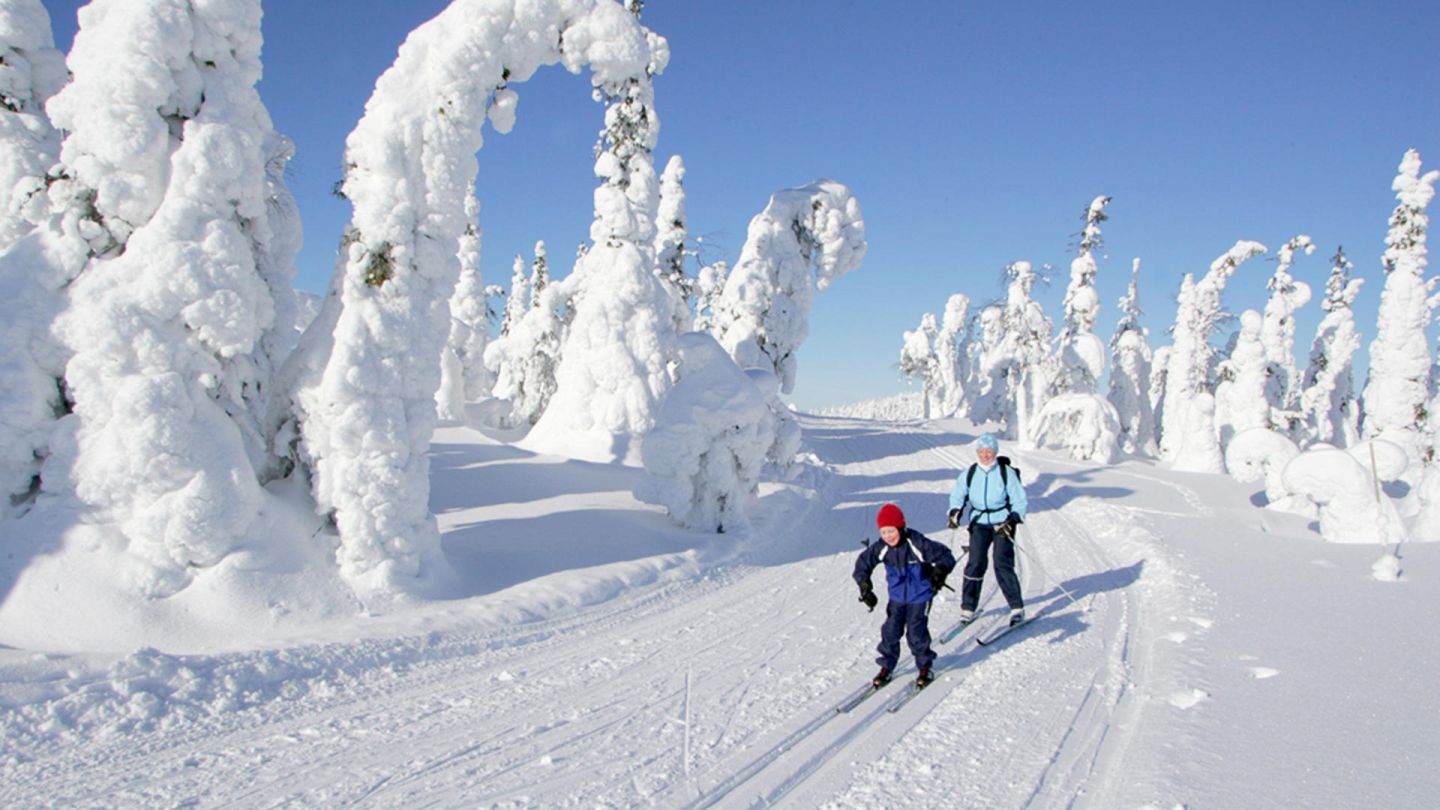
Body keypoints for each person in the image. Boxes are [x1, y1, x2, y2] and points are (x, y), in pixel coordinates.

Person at [853, 502, 956, 689]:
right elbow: (863, 564)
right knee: (890, 631)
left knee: (916, 633)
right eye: (884, 532)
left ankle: (925, 667)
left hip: (920, 595)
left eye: (891, 531)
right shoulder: (882, 547)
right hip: (897, 597)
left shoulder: (917, 543)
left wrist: (939, 572)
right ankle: (887, 666)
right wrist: (865, 586)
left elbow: (946, 556)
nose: (888, 537)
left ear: (901, 527)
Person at [947, 432, 1029, 627]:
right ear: (977, 452)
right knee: (975, 563)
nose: (985, 455)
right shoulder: (970, 473)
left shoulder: (1005, 472)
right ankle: (968, 608)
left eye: (989, 451)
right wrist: (955, 511)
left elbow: (1019, 499)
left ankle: (1017, 607)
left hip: (1002, 522)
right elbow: (958, 495)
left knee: (1002, 563)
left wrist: (1014, 519)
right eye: (982, 451)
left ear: (995, 452)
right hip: (979, 522)